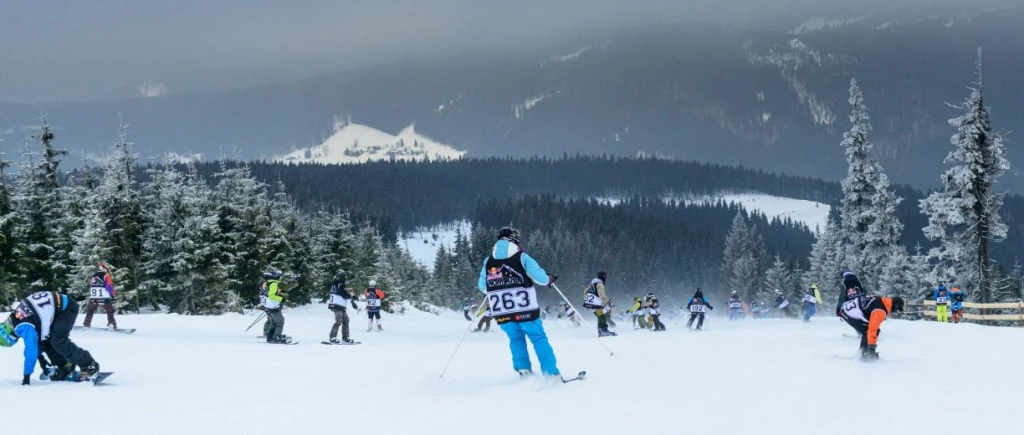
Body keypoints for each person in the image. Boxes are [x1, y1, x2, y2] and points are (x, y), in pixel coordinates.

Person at [478, 226, 561, 378]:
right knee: (538, 337)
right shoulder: (522, 257)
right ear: (515, 240)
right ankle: (551, 373)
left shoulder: (488, 261)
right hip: (525, 309)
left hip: (502, 310)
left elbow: (483, 287)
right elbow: (541, 279)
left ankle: (523, 370)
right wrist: (549, 278)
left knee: (515, 338)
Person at [0, 290, 101, 385]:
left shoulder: (23, 326)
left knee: (58, 341)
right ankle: (65, 367)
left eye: (13, 340)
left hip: (66, 308)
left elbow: (31, 351)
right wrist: (41, 358)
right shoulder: (16, 317)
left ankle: (89, 365)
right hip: (58, 306)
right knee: (46, 341)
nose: (17, 339)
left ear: (8, 334)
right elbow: (37, 342)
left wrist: (27, 376)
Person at [838, 292, 905, 361]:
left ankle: (863, 353)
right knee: (868, 331)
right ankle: (865, 355)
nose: (894, 312)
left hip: (848, 309)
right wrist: (872, 348)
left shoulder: (881, 301)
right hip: (849, 313)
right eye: (896, 310)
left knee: (871, 331)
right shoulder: (880, 310)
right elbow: (872, 329)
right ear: (895, 306)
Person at [83, 262, 117, 330]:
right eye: (107, 269)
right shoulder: (106, 276)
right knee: (110, 311)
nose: (108, 270)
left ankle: (86, 325)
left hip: (93, 298)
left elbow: (91, 285)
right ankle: (112, 325)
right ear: (104, 269)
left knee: (90, 311)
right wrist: (113, 293)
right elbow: (109, 287)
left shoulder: (94, 276)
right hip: (104, 298)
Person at [328, 270, 358, 344]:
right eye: (344, 277)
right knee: (339, 321)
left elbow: (342, 293)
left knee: (346, 320)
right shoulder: (339, 284)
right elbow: (343, 294)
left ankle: (345, 337)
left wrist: (350, 295)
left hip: (340, 306)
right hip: (336, 305)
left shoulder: (337, 284)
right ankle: (332, 337)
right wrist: (351, 295)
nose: (345, 279)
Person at [583, 271, 615, 337]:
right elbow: (602, 295)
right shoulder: (600, 284)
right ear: (603, 277)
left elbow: (585, 292)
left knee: (602, 315)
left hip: (590, 304)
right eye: (605, 277)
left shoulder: (591, 285)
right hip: (595, 305)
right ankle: (602, 331)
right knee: (602, 316)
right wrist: (609, 302)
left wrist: (587, 300)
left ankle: (604, 330)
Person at [261, 269, 289, 343]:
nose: (280, 278)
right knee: (280, 322)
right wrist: (281, 299)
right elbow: (271, 295)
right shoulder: (274, 284)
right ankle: (276, 337)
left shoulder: (268, 283)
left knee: (273, 322)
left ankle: (270, 337)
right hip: (273, 306)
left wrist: (279, 292)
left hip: (268, 305)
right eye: (279, 276)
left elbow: (269, 293)